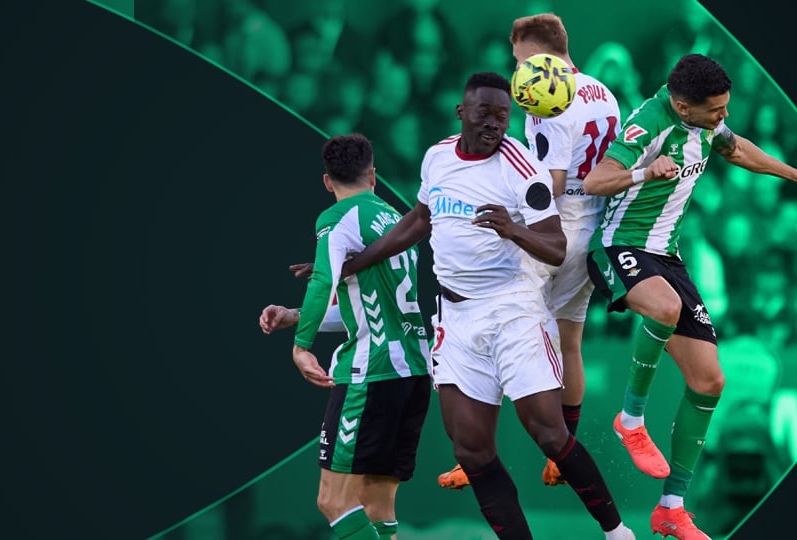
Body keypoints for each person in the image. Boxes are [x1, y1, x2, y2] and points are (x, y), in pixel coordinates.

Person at [341, 72, 635, 540]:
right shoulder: (438, 157)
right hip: (455, 316)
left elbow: (556, 247)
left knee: (549, 433)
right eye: (485, 113)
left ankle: (618, 533)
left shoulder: (522, 167)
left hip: (513, 309)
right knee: (471, 449)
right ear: (462, 112)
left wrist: (512, 229)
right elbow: (419, 219)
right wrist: (355, 263)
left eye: (503, 115)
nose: (495, 124)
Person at [582, 53, 797, 540]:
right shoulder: (648, 124)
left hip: (668, 256)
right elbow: (596, 181)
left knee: (710, 381)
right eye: (716, 110)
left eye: (725, 107)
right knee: (664, 307)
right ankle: (630, 419)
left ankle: (671, 509)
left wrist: (792, 174)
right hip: (620, 244)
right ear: (683, 106)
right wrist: (643, 172)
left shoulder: (705, 121)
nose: (724, 116)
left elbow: (735, 149)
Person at [436, 12, 622, 491]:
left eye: (518, 60)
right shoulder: (602, 91)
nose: (517, 70)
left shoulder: (545, 97)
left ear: (536, 54)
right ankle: (562, 452)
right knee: (569, 341)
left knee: (500, 329)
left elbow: (551, 183)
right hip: (592, 225)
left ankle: (475, 454)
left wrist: (512, 212)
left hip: (553, 227)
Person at [258, 133, 432, 540]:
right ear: (373, 175)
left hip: (370, 374)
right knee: (376, 504)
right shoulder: (394, 217)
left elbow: (322, 281)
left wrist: (301, 347)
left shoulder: (336, 218)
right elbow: (367, 308)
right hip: (413, 372)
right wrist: (297, 317)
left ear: (327, 181)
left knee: (333, 502)